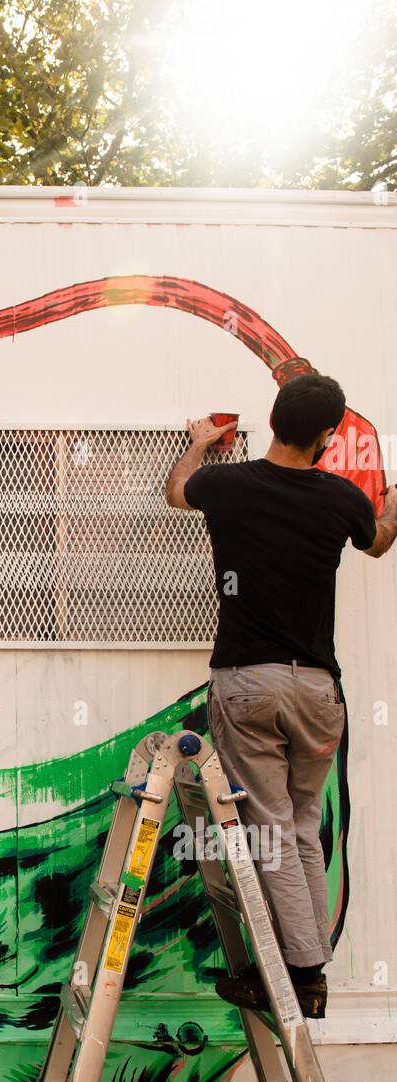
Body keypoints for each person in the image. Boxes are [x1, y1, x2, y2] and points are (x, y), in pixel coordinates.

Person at [165, 374, 397, 1018]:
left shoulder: (228, 485)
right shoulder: (339, 498)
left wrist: (201, 443)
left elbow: (176, 491)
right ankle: (309, 971)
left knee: (267, 827)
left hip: (249, 684)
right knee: (300, 829)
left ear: (271, 421)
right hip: (319, 690)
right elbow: (378, 539)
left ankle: (299, 974)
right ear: (326, 439)